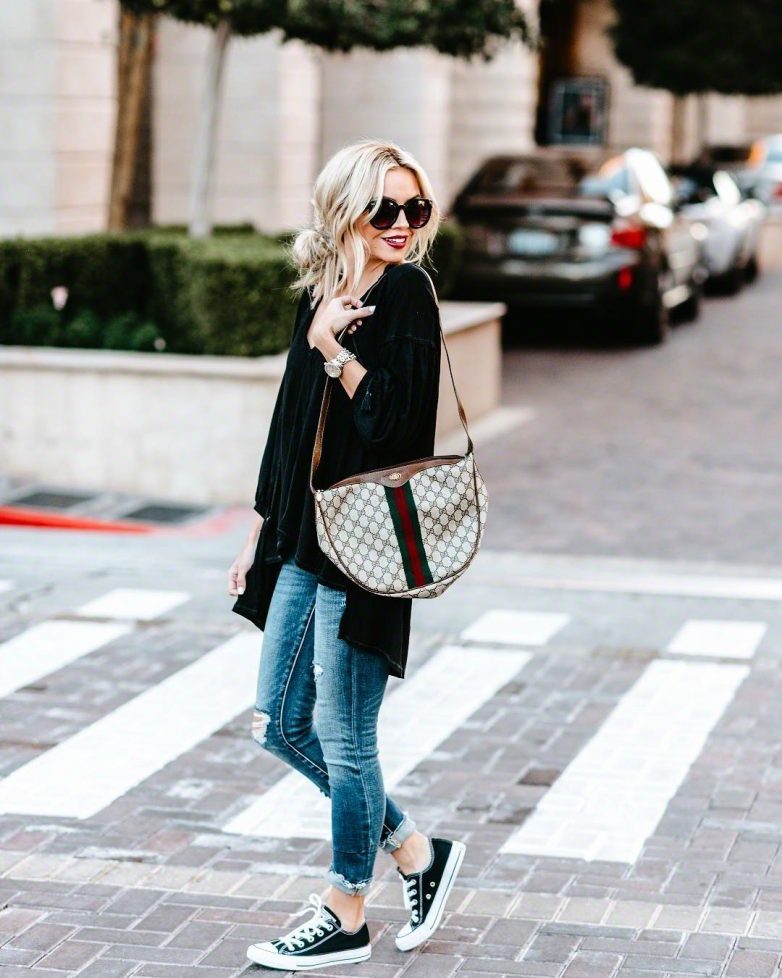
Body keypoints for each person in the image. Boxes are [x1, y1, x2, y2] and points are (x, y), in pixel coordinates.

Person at [228, 139, 466, 970]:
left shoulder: (407, 294)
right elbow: (291, 427)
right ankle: (416, 851)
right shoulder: (323, 290)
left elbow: (394, 429)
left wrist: (336, 351)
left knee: (345, 733)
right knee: (280, 722)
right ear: (345, 210)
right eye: (384, 208)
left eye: (415, 208)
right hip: (304, 537)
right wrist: (259, 531)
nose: (403, 224)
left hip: (366, 545)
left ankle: (347, 910)